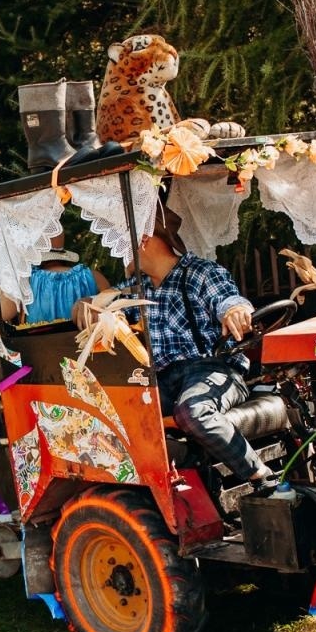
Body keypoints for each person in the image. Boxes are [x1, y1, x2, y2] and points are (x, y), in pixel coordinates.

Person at [77, 204, 270, 491]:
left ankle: (260, 475)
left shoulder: (202, 272)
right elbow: (88, 306)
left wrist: (236, 311)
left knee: (193, 410)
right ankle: (186, 465)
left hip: (213, 370)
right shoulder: (135, 287)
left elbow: (228, 300)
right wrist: (87, 309)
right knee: (114, 418)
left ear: (143, 240)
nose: (120, 253)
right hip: (164, 379)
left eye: (123, 244)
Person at [0, 235, 110, 385]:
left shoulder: (23, 286)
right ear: (63, 252)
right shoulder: (95, 278)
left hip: (46, 379)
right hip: (96, 378)